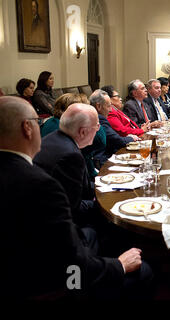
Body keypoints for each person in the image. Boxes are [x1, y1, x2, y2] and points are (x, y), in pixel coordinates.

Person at [0, 96, 153, 300]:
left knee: (96, 234)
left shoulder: (51, 143)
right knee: (145, 271)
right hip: (41, 280)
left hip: (22, 257)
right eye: (37, 122)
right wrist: (120, 265)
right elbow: (71, 263)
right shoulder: (42, 185)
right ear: (27, 128)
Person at [33, 104, 99, 227]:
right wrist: (104, 203)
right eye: (97, 126)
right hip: (52, 226)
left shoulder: (55, 138)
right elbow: (73, 209)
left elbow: (82, 186)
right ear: (83, 132)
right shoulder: (70, 155)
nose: (98, 130)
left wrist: (107, 188)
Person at [90, 89, 137, 165]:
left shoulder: (97, 118)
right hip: (102, 163)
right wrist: (131, 138)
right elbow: (117, 140)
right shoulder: (99, 119)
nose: (110, 110)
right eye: (108, 106)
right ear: (98, 106)